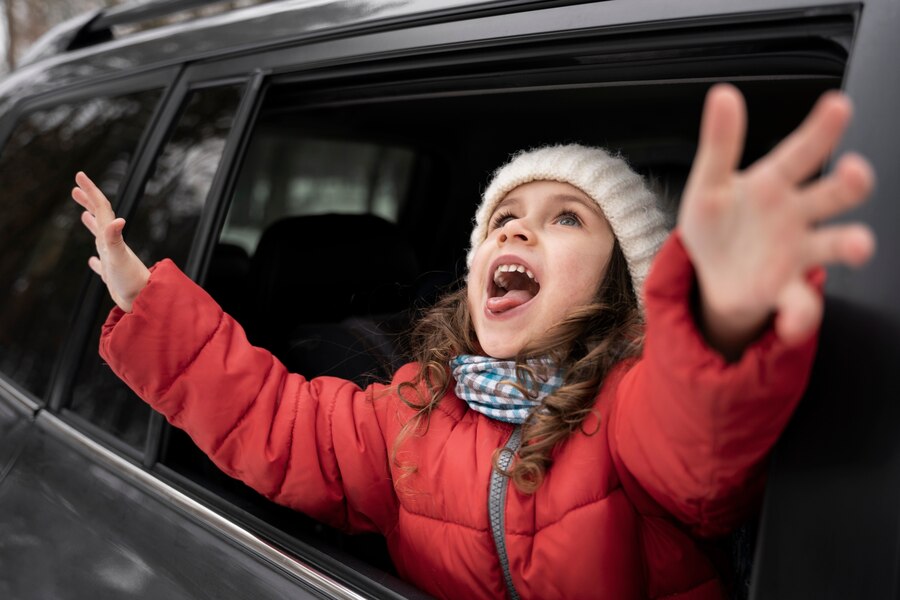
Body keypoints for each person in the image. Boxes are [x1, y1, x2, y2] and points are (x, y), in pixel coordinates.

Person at [71, 84, 874, 599]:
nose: (520, 225)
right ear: (479, 266)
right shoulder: (414, 409)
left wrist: (718, 322)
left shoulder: (627, 406)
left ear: (620, 283)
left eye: (567, 218)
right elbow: (274, 419)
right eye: (502, 218)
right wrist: (147, 301)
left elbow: (699, 430)